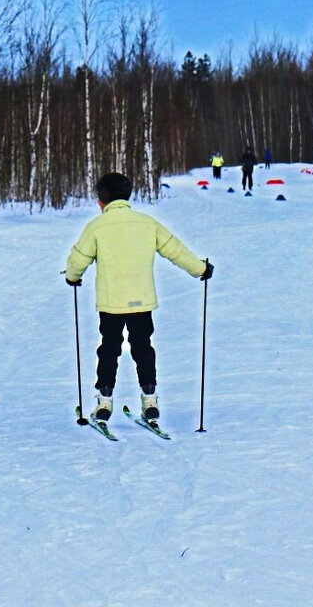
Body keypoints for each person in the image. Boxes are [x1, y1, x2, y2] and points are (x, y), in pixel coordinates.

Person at [65, 172, 213, 423]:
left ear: (102, 200)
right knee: (143, 348)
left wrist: (72, 277)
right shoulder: (147, 223)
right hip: (142, 303)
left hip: (111, 305)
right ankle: (149, 398)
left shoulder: (97, 227)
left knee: (109, 349)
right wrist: (201, 268)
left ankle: (104, 401)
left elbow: (78, 259)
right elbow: (175, 250)